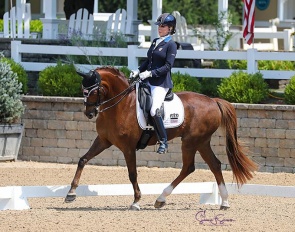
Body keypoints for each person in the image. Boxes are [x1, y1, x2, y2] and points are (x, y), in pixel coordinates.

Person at [130, 13, 177, 154]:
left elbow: (168, 66)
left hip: (160, 84)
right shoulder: (155, 41)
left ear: (170, 28)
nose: (160, 28)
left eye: (162, 26)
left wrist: (150, 73)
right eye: (159, 26)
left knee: (153, 110)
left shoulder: (171, 45)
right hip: (147, 80)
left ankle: (163, 141)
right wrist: (138, 70)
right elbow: (148, 61)